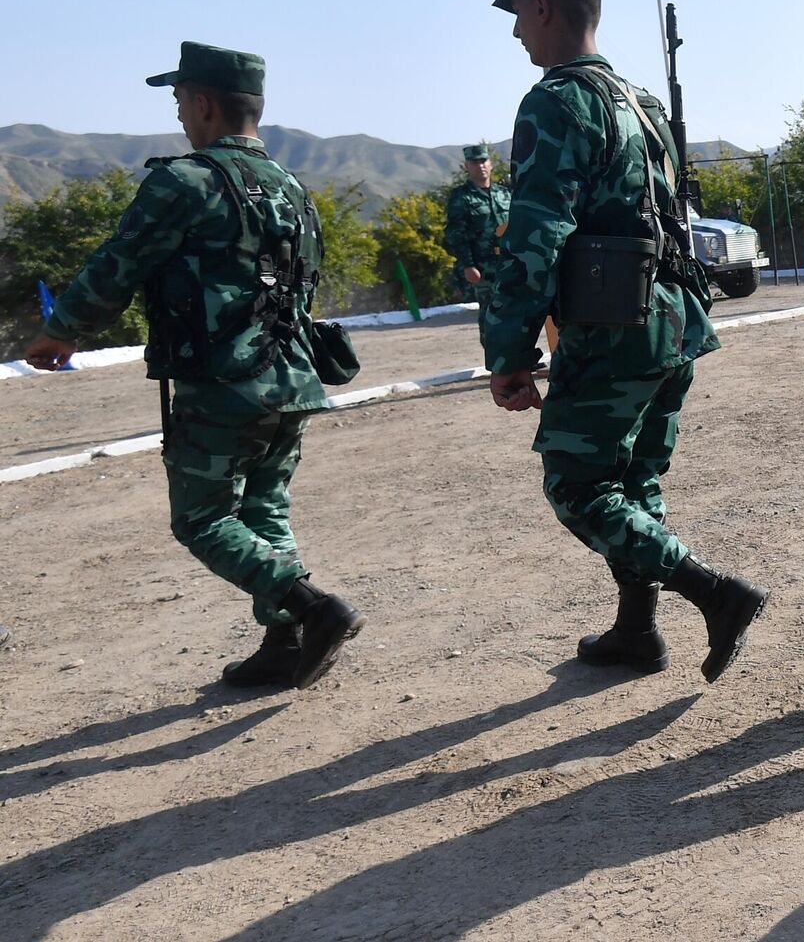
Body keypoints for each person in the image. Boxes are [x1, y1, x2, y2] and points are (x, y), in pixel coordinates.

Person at [23, 42, 365, 691]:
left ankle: (316, 610)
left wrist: (62, 331)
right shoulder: (295, 189)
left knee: (202, 519)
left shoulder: (184, 182)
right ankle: (283, 643)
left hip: (226, 383)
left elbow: (118, 262)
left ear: (203, 102)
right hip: (293, 378)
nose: (179, 114)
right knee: (264, 510)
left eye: (180, 99)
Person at [485, 0, 766, 681]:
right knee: (634, 480)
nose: (515, 30)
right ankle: (637, 631)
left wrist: (509, 351)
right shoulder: (638, 102)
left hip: (615, 329)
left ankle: (714, 593)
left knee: (577, 485)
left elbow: (536, 236)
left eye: (517, 12)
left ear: (542, 5)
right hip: (672, 324)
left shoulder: (556, 102)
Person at [443, 143, 511, 330]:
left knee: (513, 313)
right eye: (474, 162)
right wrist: (468, 265)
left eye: (483, 161)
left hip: (509, 263)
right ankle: (493, 356)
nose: (480, 165)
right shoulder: (462, 198)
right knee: (490, 316)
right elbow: (456, 234)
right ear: (467, 166)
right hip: (484, 267)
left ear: (490, 164)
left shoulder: (504, 194)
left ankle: (514, 357)